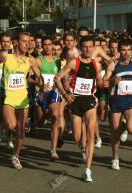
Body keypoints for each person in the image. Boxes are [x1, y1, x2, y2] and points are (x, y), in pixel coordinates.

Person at [0, 32, 44, 169]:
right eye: (24, 41)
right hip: (8, 96)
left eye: (29, 41)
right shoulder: (5, 55)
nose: (27, 44)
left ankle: (16, 156)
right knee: (12, 126)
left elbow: (39, 75)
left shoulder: (30, 60)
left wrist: (41, 86)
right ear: (16, 42)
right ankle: (5, 129)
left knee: (21, 131)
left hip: (23, 98)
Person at [54, 36, 103, 182]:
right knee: (77, 136)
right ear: (81, 48)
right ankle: (82, 149)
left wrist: (107, 82)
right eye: (85, 47)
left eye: (90, 47)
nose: (88, 50)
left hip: (89, 101)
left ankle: (88, 170)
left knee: (90, 135)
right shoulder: (74, 62)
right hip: (75, 101)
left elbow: (100, 83)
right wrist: (65, 94)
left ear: (94, 48)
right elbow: (57, 78)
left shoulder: (97, 65)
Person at [103, 39, 132, 170]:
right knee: (115, 133)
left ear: (131, 51)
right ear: (119, 51)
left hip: (130, 101)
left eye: (129, 50)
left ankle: (125, 127)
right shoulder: (113, 65)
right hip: (115, 102)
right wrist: (113, 79)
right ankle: (115, 158)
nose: (126, 53)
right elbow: (104, 83)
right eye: (123, 50)